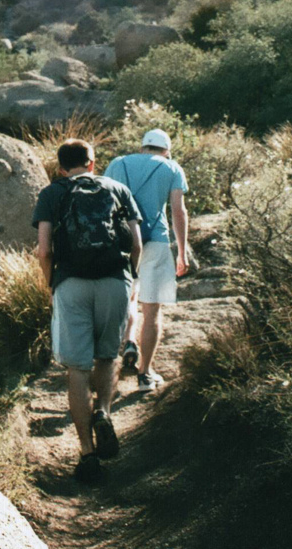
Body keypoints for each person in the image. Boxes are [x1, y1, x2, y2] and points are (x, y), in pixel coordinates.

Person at [33, 139, 142, 482]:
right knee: (107, 357)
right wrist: (131, 279)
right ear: (93, 163)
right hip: (114, 281)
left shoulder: (52, 193)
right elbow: (136, 244)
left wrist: (53, 283)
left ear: (61, 168)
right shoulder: (118, 189)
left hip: (71, 284)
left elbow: (43, 250)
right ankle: (104, 412)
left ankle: (86, 454)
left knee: (77, 369)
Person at [104, 129, 189, 393]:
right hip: (156, 242)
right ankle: (145, 374)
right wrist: (183, 251)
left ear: (142, 147)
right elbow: (178, 210)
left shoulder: (117, 163)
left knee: (128, 299)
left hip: (119, 243)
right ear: (166, 150)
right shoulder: (172, 167)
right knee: (152, 311)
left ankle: (119, 355)